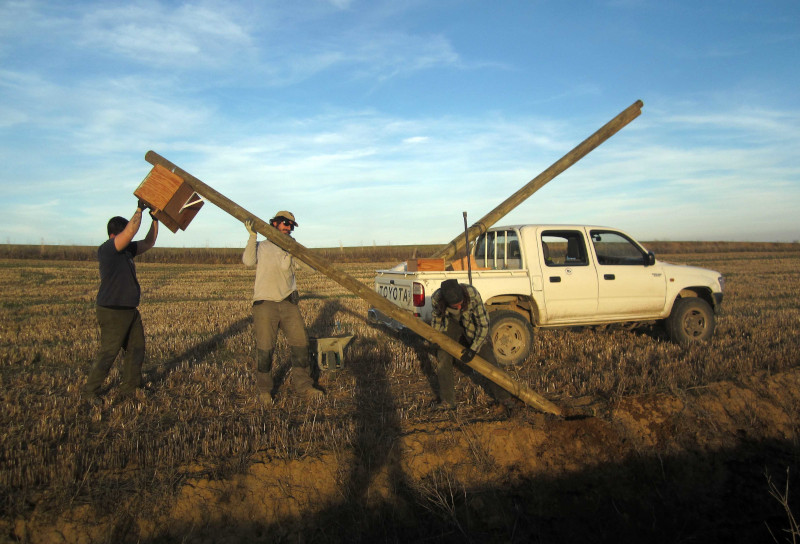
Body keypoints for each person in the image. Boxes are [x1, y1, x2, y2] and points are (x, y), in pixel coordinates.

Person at [243, 211, 322, 405]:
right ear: (275, 224)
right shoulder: (262, 246)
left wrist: (296, 250)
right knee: (265, 349)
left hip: (288, 303)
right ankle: (264, 391)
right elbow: (247, 261)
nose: (288, 227)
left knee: (301, 344)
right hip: (265, 304)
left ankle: (304, 386)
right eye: (285, 223)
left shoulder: (291, 249)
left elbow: (312, 269)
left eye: (291, 225)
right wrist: (252, 236)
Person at [83, 200, 159, 401]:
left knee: (137, 348)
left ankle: (130, 387)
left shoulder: (126, 250)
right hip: (112, 310)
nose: (130, 233)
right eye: (126, 231)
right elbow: (131, 232)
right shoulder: (108, 248)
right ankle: (90, 391)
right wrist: (139, 209)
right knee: (109, 352)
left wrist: (155, 219)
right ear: (114, 235)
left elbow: (149, 242)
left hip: (130, 310)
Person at [430, 278, 513, 410]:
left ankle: (504, 397)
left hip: (472, 325)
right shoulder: (436, 299)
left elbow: (484, 325)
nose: (458, 307)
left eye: (460, 303)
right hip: (450, 324)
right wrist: (435, 340)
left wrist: (473, 349)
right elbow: (437, 322)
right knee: (443, 357)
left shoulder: (472, 294)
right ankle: (447, 401)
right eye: (454, 305)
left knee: (488, 359)